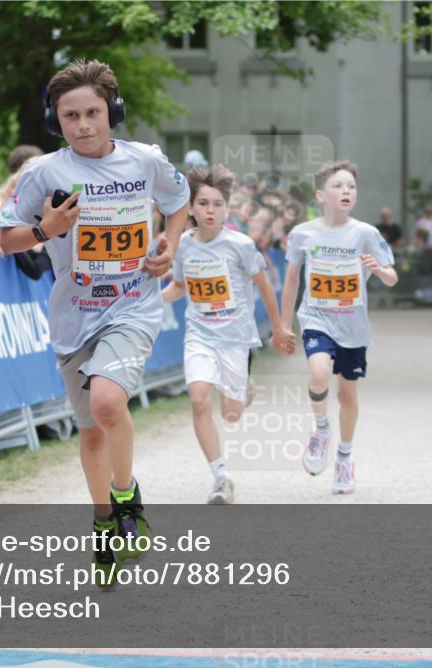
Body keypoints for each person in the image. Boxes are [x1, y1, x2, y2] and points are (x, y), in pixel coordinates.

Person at [0, 58, 190, 585]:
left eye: (93, 113)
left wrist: (168, 244)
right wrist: (47, 228)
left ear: (113, 113)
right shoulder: (43, 173)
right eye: (70, 116)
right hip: (74, 314)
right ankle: (104, 525)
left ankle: (128, 499)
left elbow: (179, 200)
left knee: (109, 402)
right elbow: (5, 237)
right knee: (89, 434)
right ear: (54, 121)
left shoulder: (145, 161)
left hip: (133, 303)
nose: (83, 125)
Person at [162, 165, 292, 504]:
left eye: (217, 204)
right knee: (199, 399)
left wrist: (278, 328)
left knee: (231, 414)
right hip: (199, 336)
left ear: (227, 209)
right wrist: (152, 300)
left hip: (235, 338)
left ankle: (243, 391)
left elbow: (264, 287)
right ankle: (221, 477)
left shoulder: (241, 245)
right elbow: (178, 286)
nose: (210, 210)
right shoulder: (184, 246)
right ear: (190, 208)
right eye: (203, 203)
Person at [279, 160, 397, 494]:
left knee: (347, 394)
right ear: (320, 194)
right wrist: (284, 326)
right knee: (318, 373)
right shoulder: (303, 234)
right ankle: (321, 430)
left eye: (351, 187)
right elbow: (291, 282)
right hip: (317, 319)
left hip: (353, 326)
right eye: (338, 186)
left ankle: (344, 458)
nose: (346, 191)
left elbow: (391, 277)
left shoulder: (365, 234)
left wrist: (380, 270)